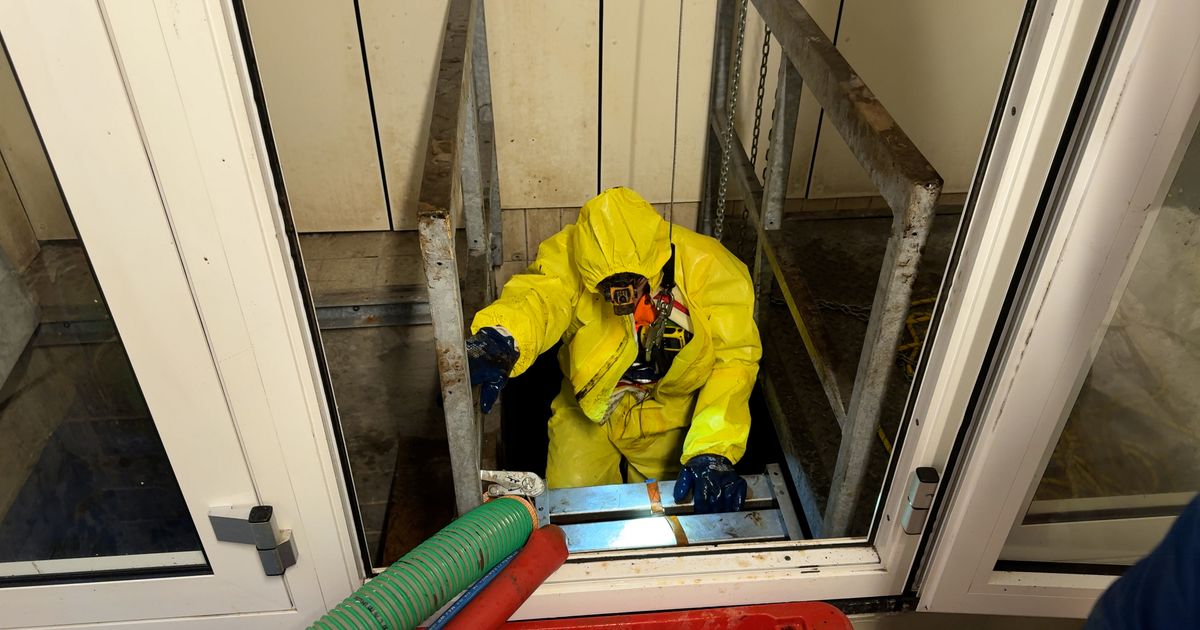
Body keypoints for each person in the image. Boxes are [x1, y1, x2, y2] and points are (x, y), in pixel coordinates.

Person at [465, 187, 762, 513]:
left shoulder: (710, 267)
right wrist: (504, 335)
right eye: (607, 289)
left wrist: (712, 449)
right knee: (570, 509)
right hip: (587, 407)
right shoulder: (571, 254)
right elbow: (539, 297)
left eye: (633, 284)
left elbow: (734, 362)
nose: (621, 299)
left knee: (670, 512)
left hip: (671, 414)